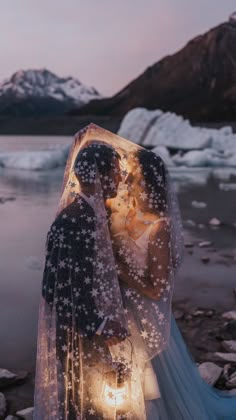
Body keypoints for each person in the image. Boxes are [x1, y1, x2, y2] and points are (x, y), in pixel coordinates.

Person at [111, 147, 236, 420]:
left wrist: (119, 270)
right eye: (128, 177)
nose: (128, 184)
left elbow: (157, 288)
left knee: (153, 380)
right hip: (121, 309)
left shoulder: (159, 227)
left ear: (152, 183)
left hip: (146, 315)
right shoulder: (127, 212)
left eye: (136, 179)